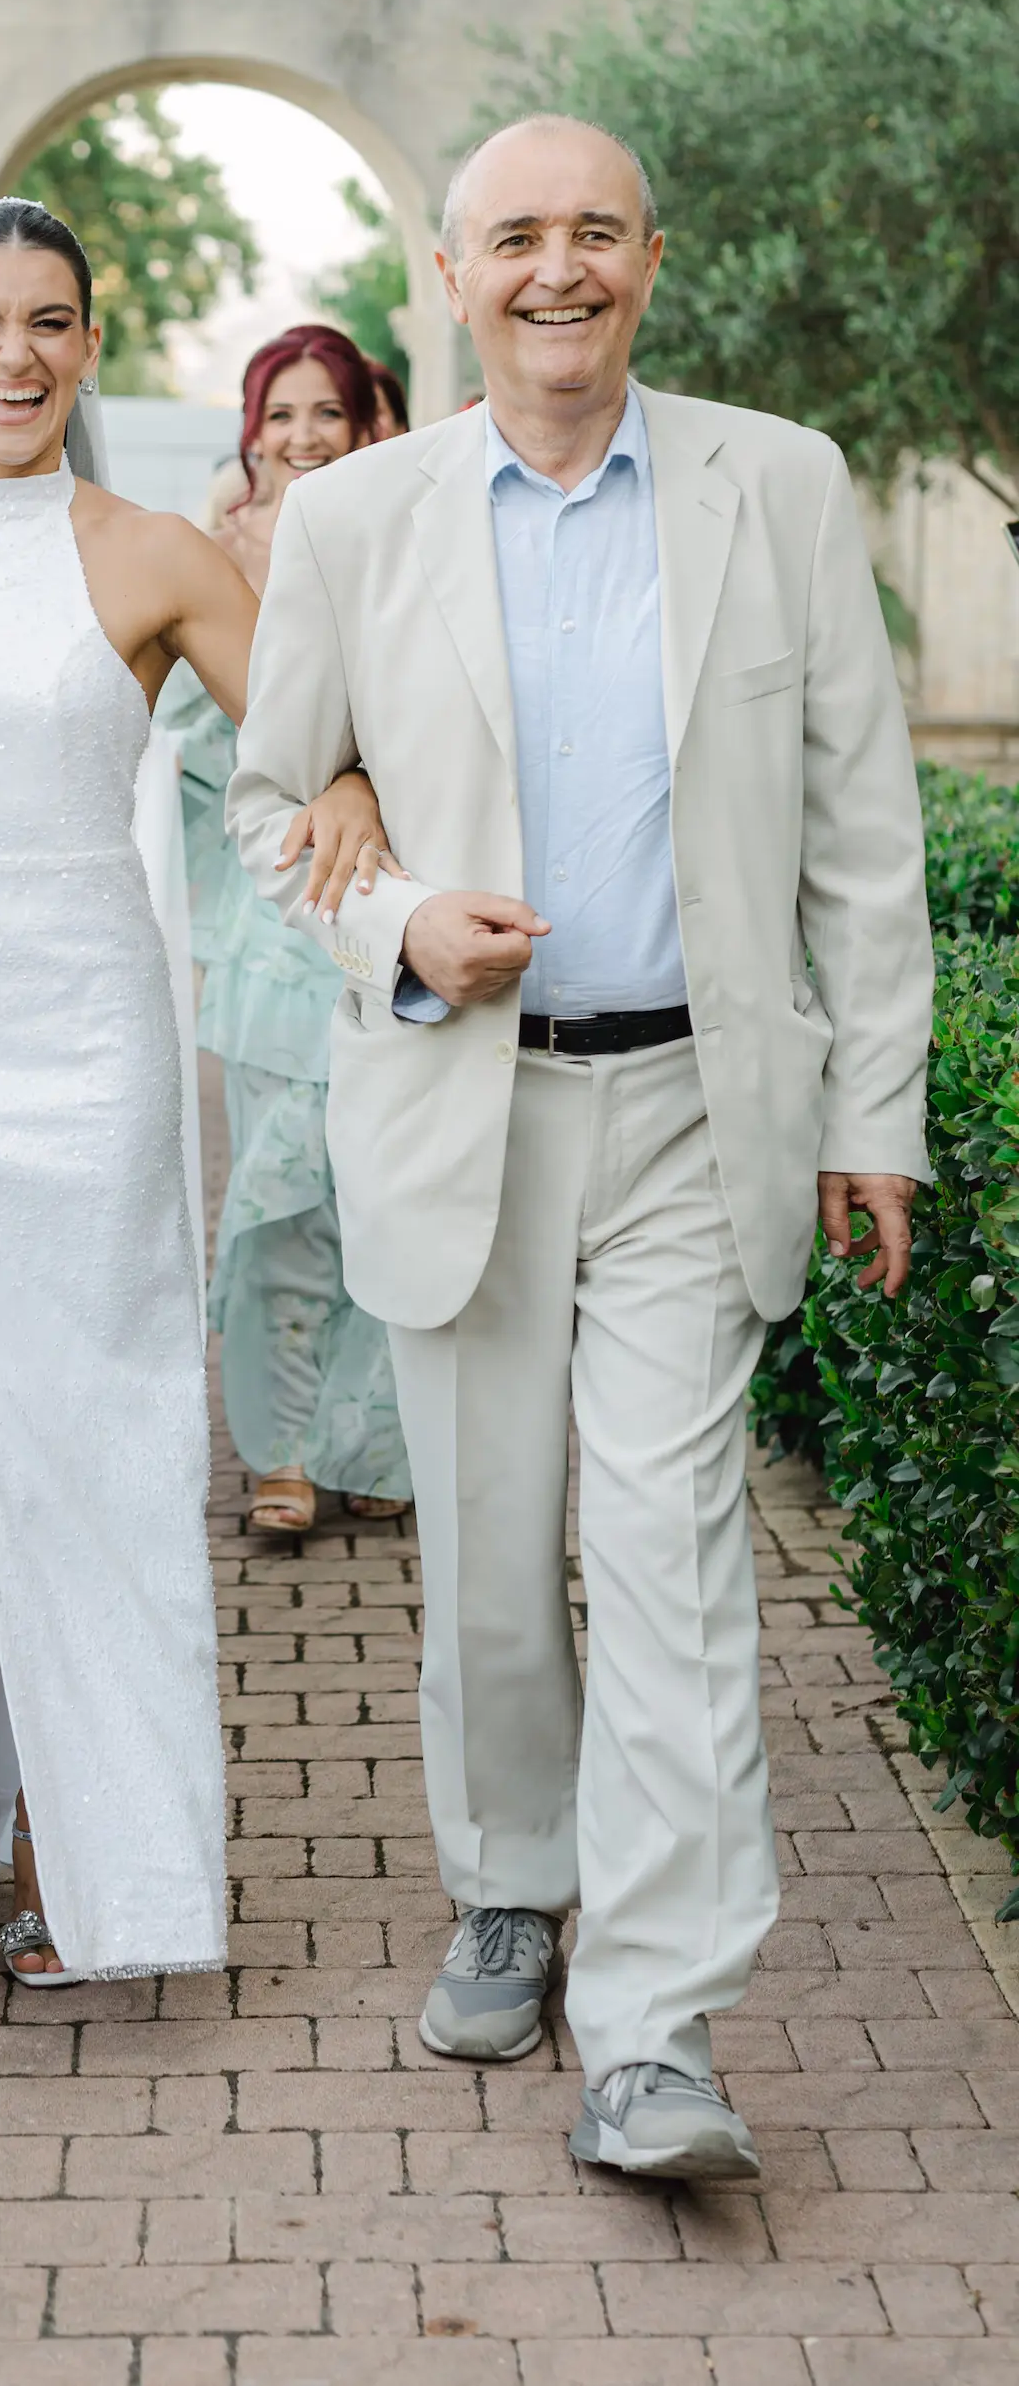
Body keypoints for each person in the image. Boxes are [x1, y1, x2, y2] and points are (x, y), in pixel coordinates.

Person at [229, 115, 933, 2180]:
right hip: (467, 1093)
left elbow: (863, 831)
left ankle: (655, 2024)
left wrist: (872, 1107)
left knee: (675, 1564)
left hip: (695, 1111)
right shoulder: (356, 514)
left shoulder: (777, 484)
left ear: (653, 257)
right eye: (516, 235)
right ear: (449, 277)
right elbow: (277, 807)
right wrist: (399, 925)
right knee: (490, 1566)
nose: (561, 267)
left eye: (597, 231)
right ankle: (510, 1878)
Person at [0, 199, 388, 2013]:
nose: (15, 353)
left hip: (91, 1032)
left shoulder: (157, 561)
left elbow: (314, 731)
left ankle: (83, 1837)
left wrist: (348, 783)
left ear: (91, 345)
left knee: (89, 1440)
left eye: (50, 321)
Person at [178, 325, 415, 1538]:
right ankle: (278, 1450)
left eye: (332, 412)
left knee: (385, 1191)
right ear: (252, 429)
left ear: (372, 423)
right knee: (279, 1201)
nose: (307, 435)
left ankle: (371, 1441)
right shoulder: (208, 558)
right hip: (271, 936)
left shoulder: (412, 548)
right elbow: (178, 747)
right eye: (285, 414)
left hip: (393, 918)